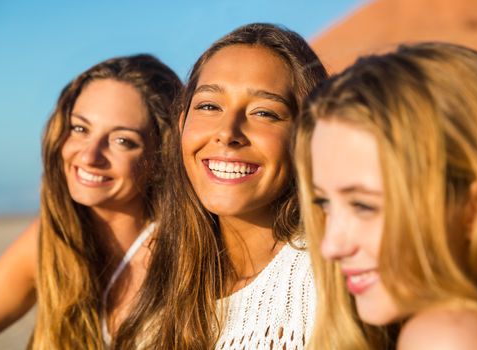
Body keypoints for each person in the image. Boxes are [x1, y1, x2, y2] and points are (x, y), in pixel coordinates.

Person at [113, 23, 328, 349]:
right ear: (183, 122)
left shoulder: (327, 280)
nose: (228, 132)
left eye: (264, 112)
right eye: (209, 106)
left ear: (307, 134)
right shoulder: (158, 271)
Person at [0, 54, 182, 348]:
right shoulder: (53, 239)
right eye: (80, 129)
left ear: (161, 156)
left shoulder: (188, 249)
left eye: (122, 141)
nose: (89, 156)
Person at [295, 42, 477, 349]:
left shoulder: (447, 335)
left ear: (474, 205)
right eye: (324, 203)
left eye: (363, 205)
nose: (330, 246)